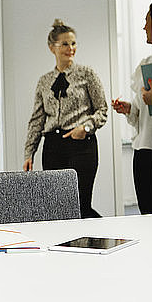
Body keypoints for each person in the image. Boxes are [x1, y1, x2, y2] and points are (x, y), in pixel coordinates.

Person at [23, 19, 108, 218]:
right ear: (52, 48)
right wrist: (29, 152)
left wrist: (85, 128)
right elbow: (37, 119)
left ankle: (94, 242)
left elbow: (102, 109)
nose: (71, 48)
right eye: (65, 44)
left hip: (82, 146)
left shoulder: (87, 74)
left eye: (73, 43)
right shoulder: (44, 81)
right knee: (57, 209)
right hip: (53, 147)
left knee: (80, 205)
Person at [112, 4, 152, 214]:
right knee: (148, 212)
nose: (143, 27)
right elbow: (140, 113)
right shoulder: (145, 64)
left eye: (147, 20)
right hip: (144, 149)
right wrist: (128, 109)